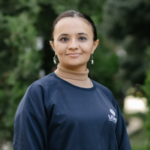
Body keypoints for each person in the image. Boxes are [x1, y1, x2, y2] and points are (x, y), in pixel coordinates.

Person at [13, 10, 131, 150]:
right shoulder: (39, 93)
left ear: (94, 45)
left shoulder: (106, 96)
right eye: (64, 39)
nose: (73, 45)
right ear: (53, 46)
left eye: (82, 38)